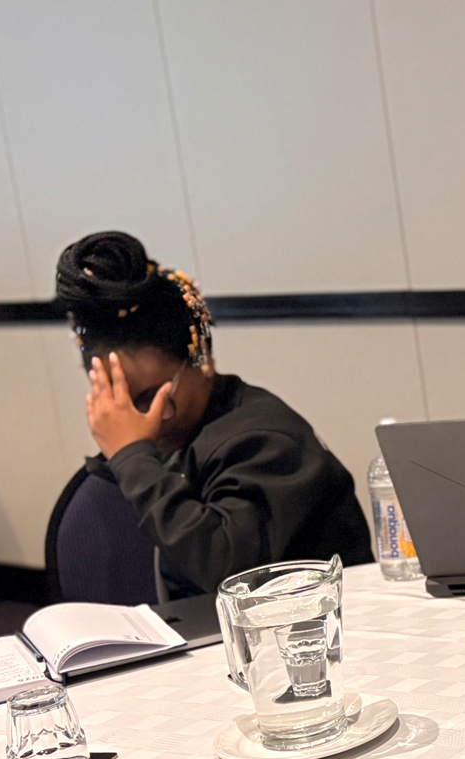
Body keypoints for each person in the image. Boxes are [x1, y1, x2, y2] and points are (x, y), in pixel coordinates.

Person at [55, 231, 372, 596]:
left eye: (154, 396)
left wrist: (131, 457)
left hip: (323, 625)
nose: (146, 420)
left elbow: (229, 574)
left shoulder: (267, 440)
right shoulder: (162, 444)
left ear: (202, 357)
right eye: (122, 402)